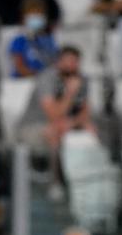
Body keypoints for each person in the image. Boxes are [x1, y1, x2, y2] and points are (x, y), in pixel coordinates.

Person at [16, 46, 95, 192]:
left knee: (93, 128)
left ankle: (89, 182)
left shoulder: (82, 79)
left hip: (64, 125)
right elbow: (53, 115)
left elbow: (86, 113)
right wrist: (70, 93)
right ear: (59, 62)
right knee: (55, 131)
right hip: (32, 127)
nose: (71, 65)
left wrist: (72, 123)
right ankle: (56, 183)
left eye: (75, 61)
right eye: (67, 61)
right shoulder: (47, 78)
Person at [9, 0, 57, 77]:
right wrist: (36, 76)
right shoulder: (19, 40)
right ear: (23, 18)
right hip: (23, 81)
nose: (36, 18)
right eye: (32, 15)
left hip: (46, 80)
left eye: (39, 14)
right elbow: (19, 65)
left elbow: (55, 61)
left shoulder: (50, 39)